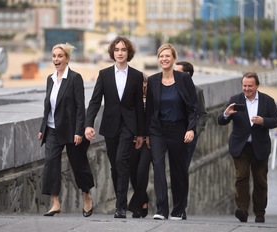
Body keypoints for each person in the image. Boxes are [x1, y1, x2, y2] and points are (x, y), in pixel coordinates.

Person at [84, 36, 145, 219]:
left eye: (123, 50)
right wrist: (88, 124)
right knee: (115, 167)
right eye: (117, 50)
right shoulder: (104, 74)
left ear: (129, 53)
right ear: (113, 53)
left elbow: (139, 106)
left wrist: (141, 133)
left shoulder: (136, 75)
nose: (120, 53)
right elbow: (95, 102)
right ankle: (122, 201)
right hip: (110, 126)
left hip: (129, 126)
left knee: (121, 162)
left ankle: (120, 207)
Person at [38, 43, 95, 217]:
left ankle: (86, 195)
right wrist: (42, 128)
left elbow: (80, 107)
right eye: (54, 56)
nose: (56, 59)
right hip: (52, 129)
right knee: (51, 163)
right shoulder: (50, 79)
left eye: (60, 56)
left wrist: (79, 131)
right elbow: (48, 106)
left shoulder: (75, 78)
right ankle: (55, 202)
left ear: (67, 59)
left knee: (78, 165)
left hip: (71, 130)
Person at [217, 72, 277, 223]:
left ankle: (259, 213)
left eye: (250, 86)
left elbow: (276, 121)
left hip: (260, 147)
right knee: (241, 177)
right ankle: (243, 210)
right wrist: (226, 113)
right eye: (244, 85)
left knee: (260, 181)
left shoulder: (267, 101)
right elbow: (221, 120)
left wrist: (263, 120)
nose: (247, 89)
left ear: (257, 85)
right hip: (240, 146)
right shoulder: (235, 100)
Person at [145, 43, 198, 220]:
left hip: (179, 130)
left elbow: (193, 108)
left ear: (174, 58)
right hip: (158, 131)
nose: (164, 59)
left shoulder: (184, 79)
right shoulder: (153, 81)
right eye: (161, 56)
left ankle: (179, 209)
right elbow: (150, 110)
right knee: (158, 168)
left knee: (178, 170)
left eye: (167, 56)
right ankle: (161, 209)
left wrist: (191, 129)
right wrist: (147, 134)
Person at [174, 61, 208, 220]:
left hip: (188, 138)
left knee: (181, 171)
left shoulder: (197, 91)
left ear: (186, 75)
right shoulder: (168, 86)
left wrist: (195, 131)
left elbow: (203, 114)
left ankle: (181, 208)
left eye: (177, 71)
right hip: (169, 135)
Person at [128, 73, 152, 218]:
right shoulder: (132, 98)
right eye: (141, 83)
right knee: (133, 173)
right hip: (133, 139)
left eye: (146, 83)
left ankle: (135, 205)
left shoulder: (153, 98)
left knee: (142, 171)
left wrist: (148, 136)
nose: (144, 85)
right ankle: (143, 201)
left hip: (148, 141)